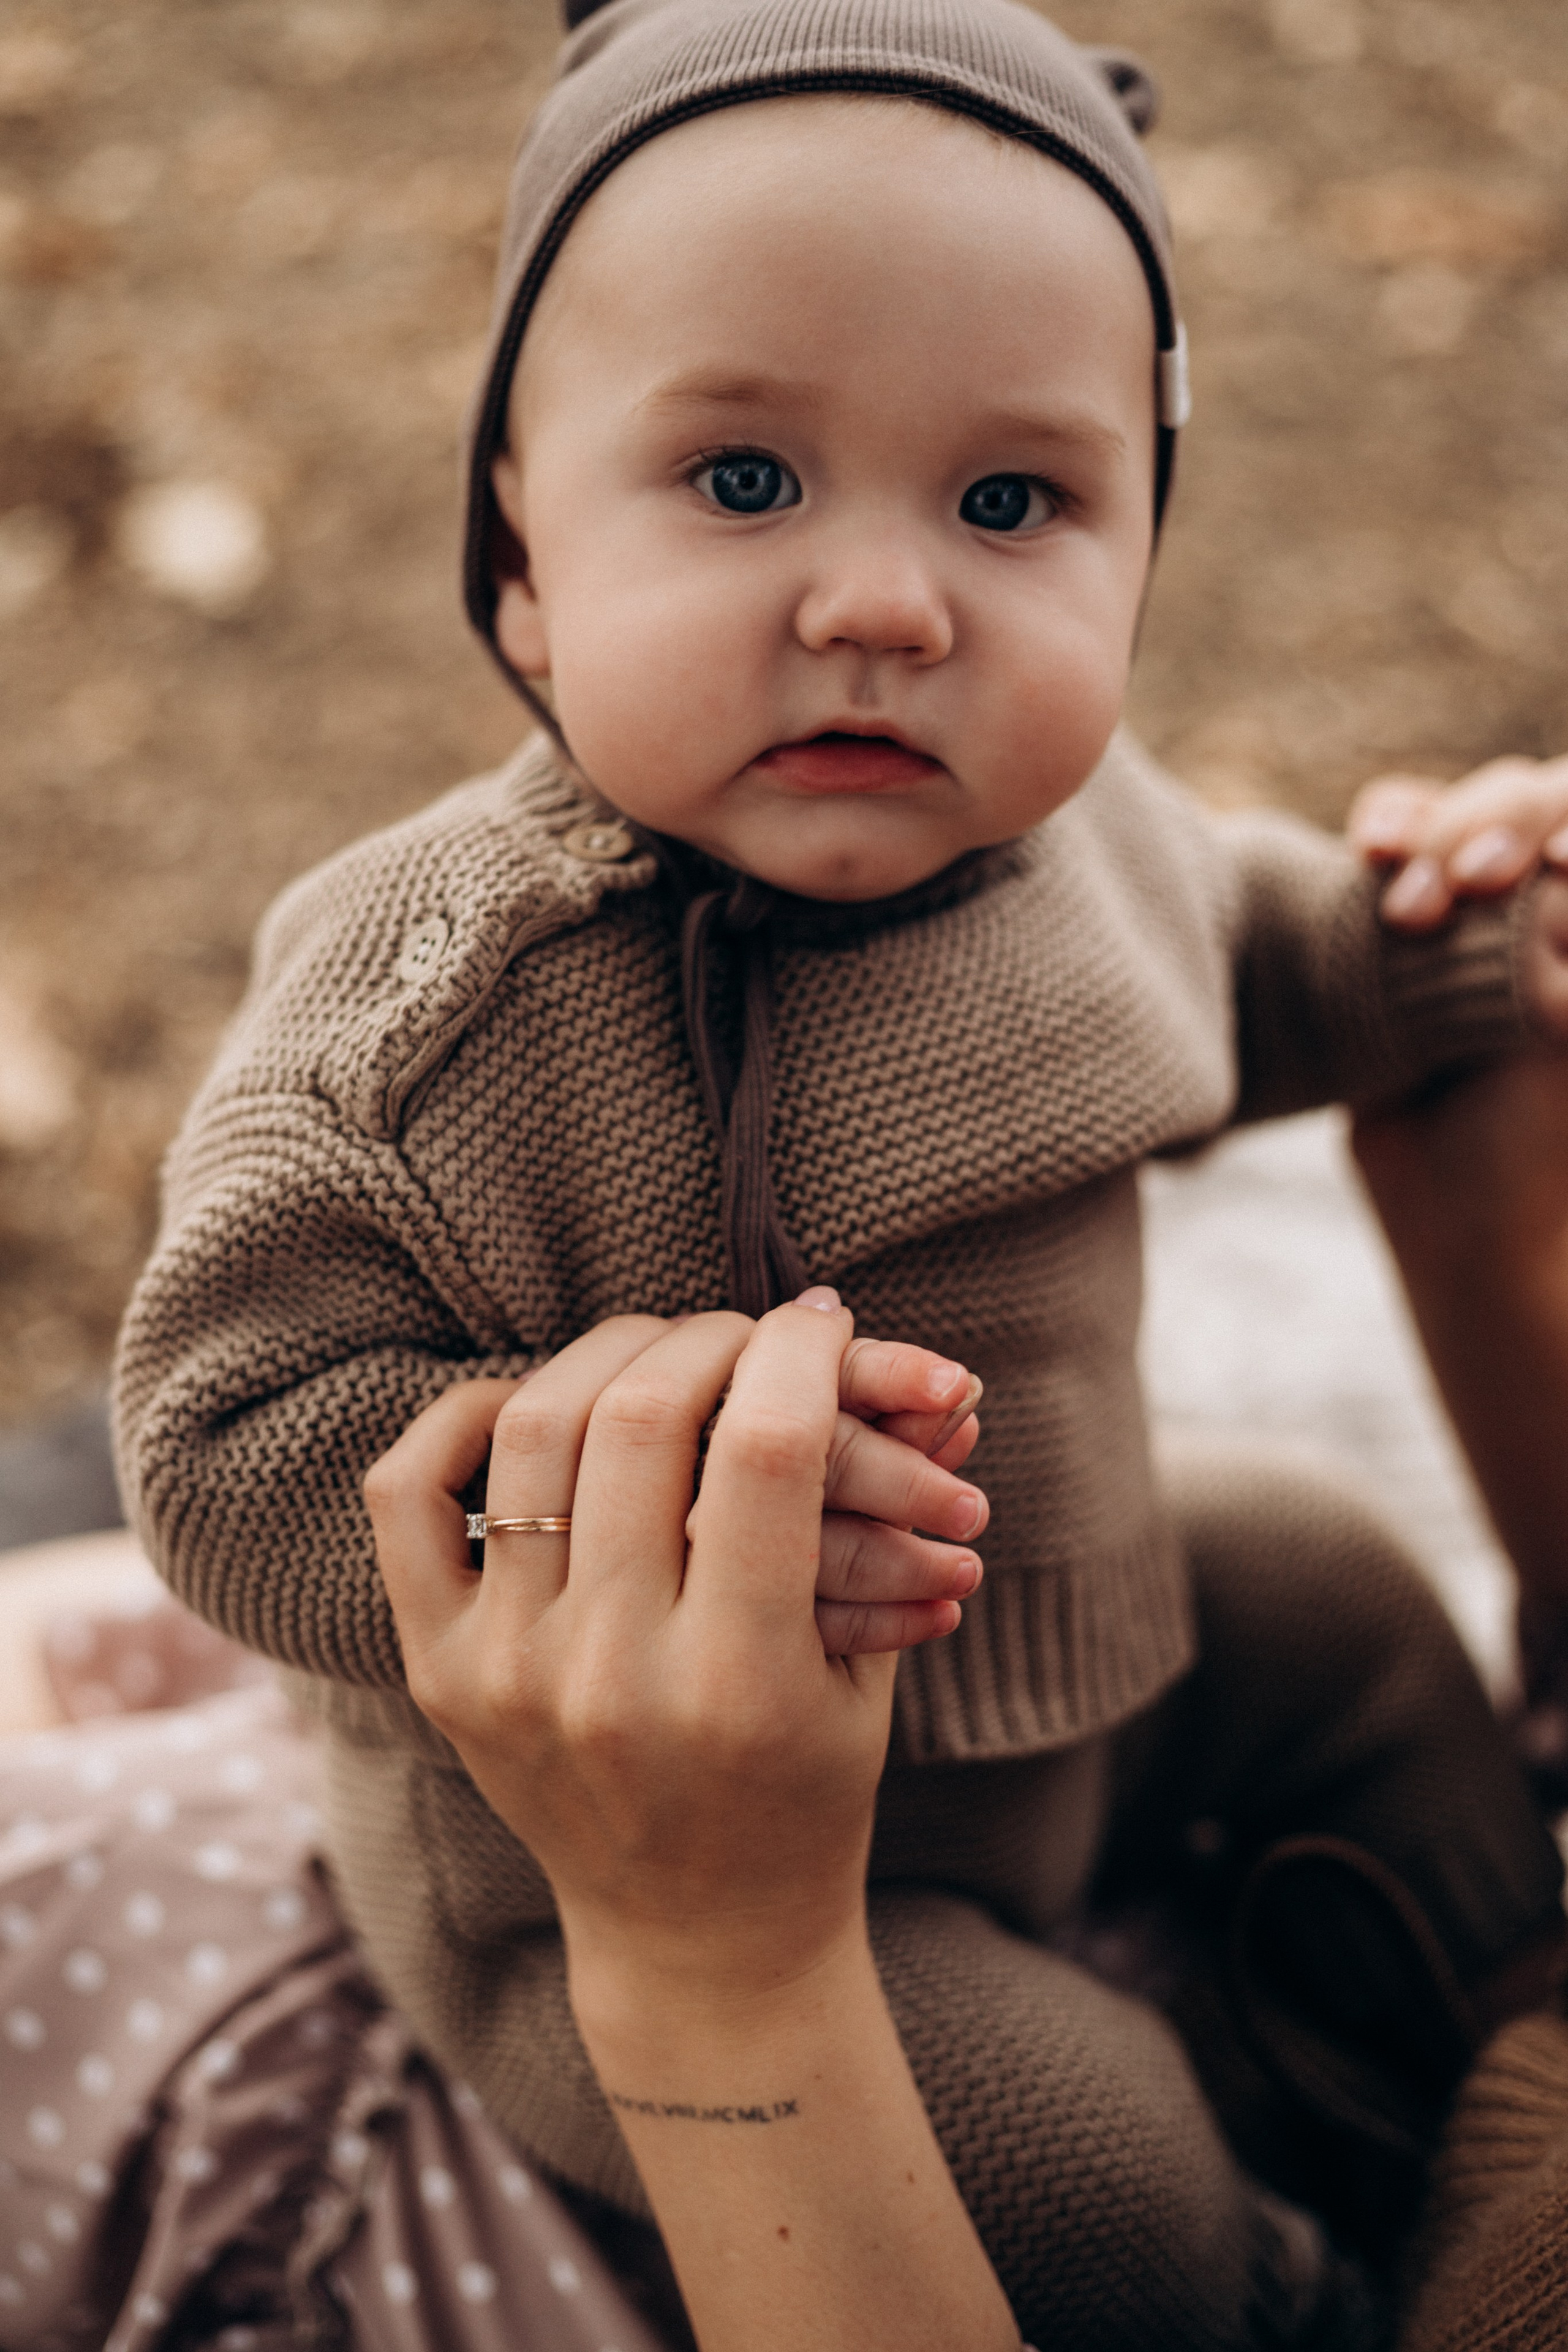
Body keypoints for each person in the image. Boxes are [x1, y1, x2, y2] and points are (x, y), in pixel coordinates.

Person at [110, 0, 1568, 2339]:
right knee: (1081, 2176)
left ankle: (1497, 2013)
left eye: (1014, 504)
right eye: (746, 481)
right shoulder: (435, 1011)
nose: (888, 603)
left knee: (1346, 1593)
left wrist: (1457, 931)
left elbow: (1275, 967)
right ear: (521, 553)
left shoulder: (1095, 843)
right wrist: (615, 1496)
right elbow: (211, 1446)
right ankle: (1291, 2269)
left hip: (1067, 1642)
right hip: (623, 1863)